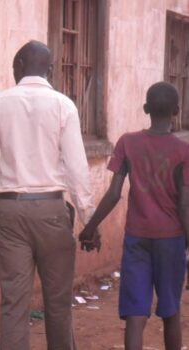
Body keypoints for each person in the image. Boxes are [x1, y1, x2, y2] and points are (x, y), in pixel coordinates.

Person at [0, 40, 97, 350]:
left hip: (11, 212)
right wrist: (89, 219)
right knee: (58, 304)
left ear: (17, 67)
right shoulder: (63, 105)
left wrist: (5, 192)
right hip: (52, 212)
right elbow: (77, 169)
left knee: (14, 305)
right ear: (51, 70)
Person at [79, 82, 189, 350]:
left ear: (145, 109)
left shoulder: (128, 142)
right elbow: (185, 205)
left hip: (137, 238)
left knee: (135, 314)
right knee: (171, 311)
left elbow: (114, 193)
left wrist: (90, 227)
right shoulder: (183, 151)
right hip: (171, 239)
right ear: (176, 111)